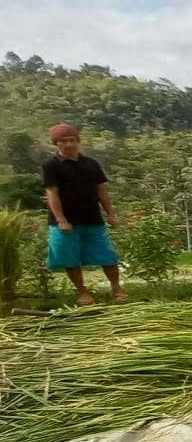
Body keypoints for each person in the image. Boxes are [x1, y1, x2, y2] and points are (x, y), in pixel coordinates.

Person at [41, 123, 126, 306]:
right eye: (63, 141)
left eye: (72, 140)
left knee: (107, 256)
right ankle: (82, 292)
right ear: (56, 144)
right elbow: (52, 193)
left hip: (93, 218)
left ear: (78, 141)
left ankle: (117, 288)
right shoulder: (51, 165)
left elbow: (102, 190)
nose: (69, 144)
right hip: (65, 222)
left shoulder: (91, 163)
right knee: (70, 258)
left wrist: (111, 214)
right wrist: (61, 219)